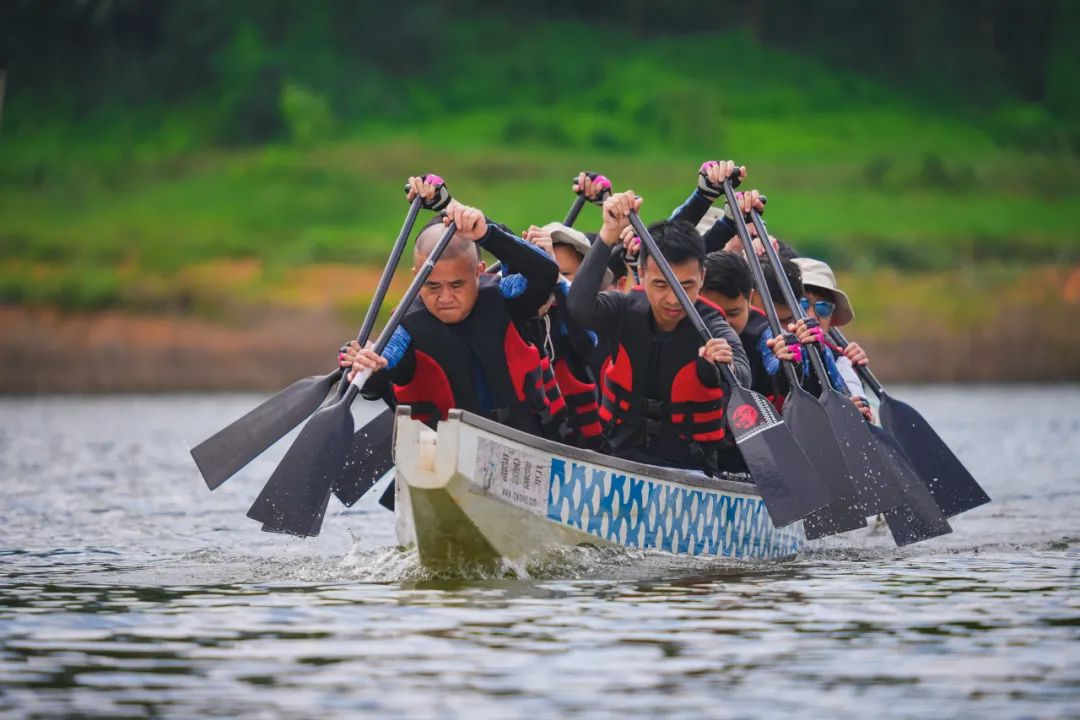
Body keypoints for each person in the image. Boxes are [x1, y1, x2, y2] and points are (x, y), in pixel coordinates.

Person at [343, 177, 561, 435]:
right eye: (433, 286)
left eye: (457, 285)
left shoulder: (503, 295)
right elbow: (380, 373)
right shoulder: (404, 327)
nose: (445, 297)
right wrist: (363, 363)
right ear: (417, 276)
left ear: (479, 272)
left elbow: (545, 272)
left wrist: (486, 233)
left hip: (529, 441)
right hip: (445, 453)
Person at [568, 190, 752, 475]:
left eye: (686, 285)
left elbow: (743, 374)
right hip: (618, 458)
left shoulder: (712, 326)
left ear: (702, 276)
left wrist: (719, 364)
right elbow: (579, 306)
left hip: (689, 472)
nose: (673, 299)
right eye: (661, 285)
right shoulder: (624, 307)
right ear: (641, 272)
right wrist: (608, 235)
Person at [701, 251, 802, 410]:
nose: (724, 323)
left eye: (733, 313)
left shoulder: (766, 334)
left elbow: (776, 367)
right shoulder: (681, 321)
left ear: (751, 299)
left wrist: (791, 365)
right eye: (714, 314)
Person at [788, 257, 874, 421]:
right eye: (803, 304)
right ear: (784, 308)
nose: (812, 315)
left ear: (832, 315)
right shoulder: (768, 347)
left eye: (823, 307)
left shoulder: (842, 361)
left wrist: (857, 379)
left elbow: (867, 418)